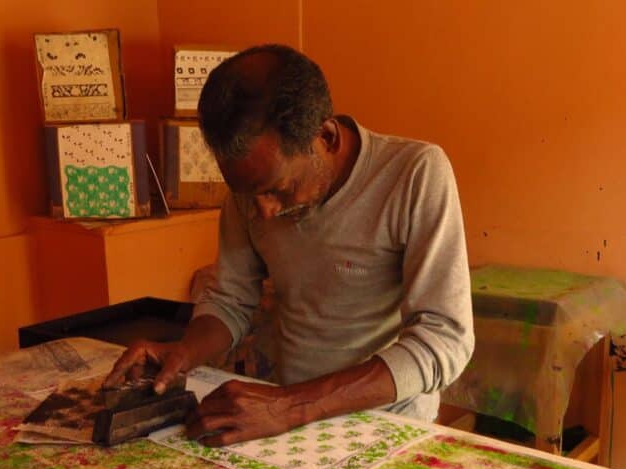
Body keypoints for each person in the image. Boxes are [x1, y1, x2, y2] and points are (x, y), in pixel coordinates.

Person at [104, 44, 474, 446]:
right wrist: (184, 353)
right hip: (287, 419)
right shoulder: (251, 190)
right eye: (248, 194)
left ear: (326, 137)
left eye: (277, 189)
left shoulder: (415, 174)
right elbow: (230, 300)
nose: (263, 211)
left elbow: (444, 339)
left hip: (387, 422)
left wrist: (291, 405)